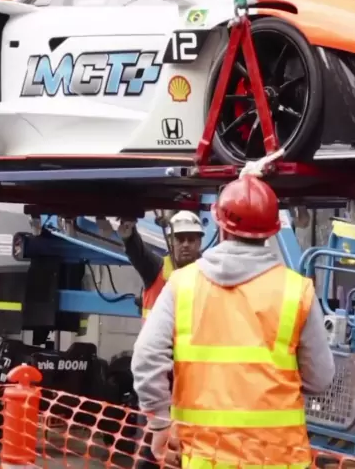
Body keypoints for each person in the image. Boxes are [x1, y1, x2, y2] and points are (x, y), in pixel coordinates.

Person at [131, 175, 335, 469]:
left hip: (204, 458)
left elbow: (146, 358)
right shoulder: (296, 290)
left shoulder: (182, 285)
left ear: (221, 226)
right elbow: (320, 378)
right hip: (279, 459)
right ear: (271, 231)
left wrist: (160, 424)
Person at [118, 210, 204, 318]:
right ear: (170, 241)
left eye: (191, 240)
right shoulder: (156, 270)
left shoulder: (209, 274)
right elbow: (138, 253)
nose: (185, 244)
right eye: (180, 239)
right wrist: (129, 234)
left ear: (199, 243)